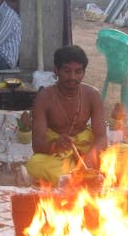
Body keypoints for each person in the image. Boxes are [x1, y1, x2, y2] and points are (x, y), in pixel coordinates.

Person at [24, 46, 107, 186]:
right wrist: (55, 146)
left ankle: (71, 178)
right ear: (56, 70)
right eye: (67, 71)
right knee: (34, 164)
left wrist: (89, 159)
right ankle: (82, 178)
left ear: (84, 73)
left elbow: (101, 137)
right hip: (59, 157)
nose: (72, 77)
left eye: (78, 72)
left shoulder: (93, 95)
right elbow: (37, 145)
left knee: (127, 152)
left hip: (86, 152)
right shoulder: (44, 98)